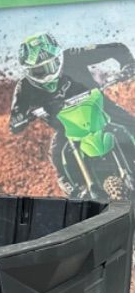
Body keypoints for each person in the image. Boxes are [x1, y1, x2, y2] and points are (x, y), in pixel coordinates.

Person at [9, 32, 135, 196]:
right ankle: (77, 189)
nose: (47, 72)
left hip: (101, 108)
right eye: (39, 70)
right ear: (28, 71)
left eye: (51, 64)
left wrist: (128, 65)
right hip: (68, 127)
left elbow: (117, 48)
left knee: (131, 125)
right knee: (56, 154)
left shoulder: (74, 56)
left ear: (59, 56)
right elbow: (15, 118)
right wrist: (20, 119)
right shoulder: (24, 87)